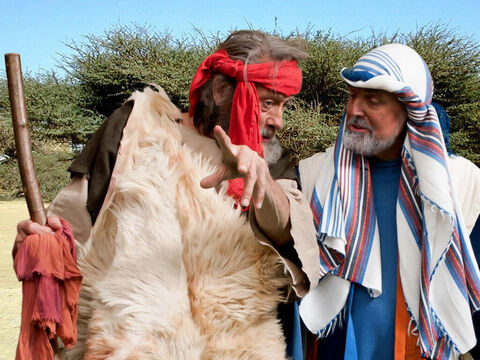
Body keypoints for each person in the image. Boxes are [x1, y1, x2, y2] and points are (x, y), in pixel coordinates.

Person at [14, 30, 319, 359]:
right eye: (268, 103)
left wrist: (261, 181)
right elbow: (71, 226)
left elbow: (289, 228)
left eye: (284, 105)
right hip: (127, 344)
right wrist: (38, 240)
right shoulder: (135, 129)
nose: (279, 120)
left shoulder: (271, 163)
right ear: (219, 91)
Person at [298, 44, 480, 359]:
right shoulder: (314, 175)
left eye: (373, 99)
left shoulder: (462, 184)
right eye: (352, 95)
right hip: (337, 348)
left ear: (410, 110)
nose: (354, 110)